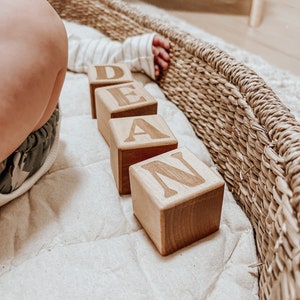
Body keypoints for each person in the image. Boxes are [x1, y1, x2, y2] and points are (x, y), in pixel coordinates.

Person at [0, 0, 170, 203]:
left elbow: (74, 48)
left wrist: (129, 54)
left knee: (32, 25)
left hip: (19, 150)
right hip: (16, 154)